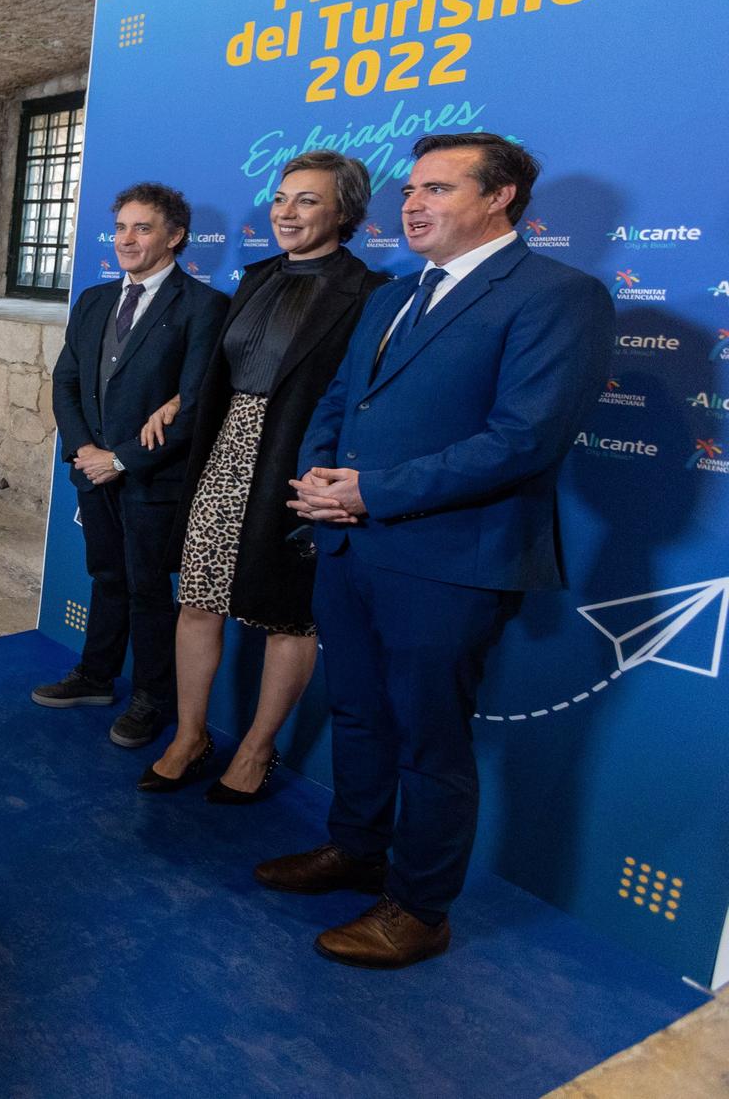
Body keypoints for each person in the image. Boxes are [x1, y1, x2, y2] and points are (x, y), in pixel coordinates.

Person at [259, 132, 613, 968]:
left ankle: (419, 907)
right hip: (350, 546)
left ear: (500, 199)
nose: (412, 204)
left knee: (429, 738)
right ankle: (356, 848)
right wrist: (318, 480)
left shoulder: (558, 294)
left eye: (439, 189)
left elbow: (524, 439)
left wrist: (372, 491)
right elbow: (340, 400)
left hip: (450, 560)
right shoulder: (390, 297)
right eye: (411, 188)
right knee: (357, 712)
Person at [139, 151, 391, 800]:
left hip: (299, 462)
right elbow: (221, 373)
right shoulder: (253, 278)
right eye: (282, 198)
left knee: (289, 614)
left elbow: (365, 395)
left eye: (307, 200)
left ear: (345, 212)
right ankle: (190, 735)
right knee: (198, 597)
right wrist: (178, 399)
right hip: (226, 454)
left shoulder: (369, 293)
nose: (286, 211)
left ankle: (255, 749)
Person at [36, 183, 229, 747]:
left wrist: (122, 458)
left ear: (175, 237)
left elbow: (195, 403)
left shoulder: (204, 307)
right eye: (121, 227)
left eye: (143, 228)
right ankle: (95, 675)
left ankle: (150, 698)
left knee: (148, 589)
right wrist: (83, 452)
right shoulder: (94, 300)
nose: (127, 238)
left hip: (151, 479)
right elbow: (66, 380)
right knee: (106, 576)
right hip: (91, 470)